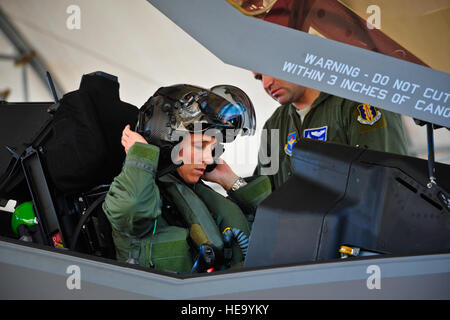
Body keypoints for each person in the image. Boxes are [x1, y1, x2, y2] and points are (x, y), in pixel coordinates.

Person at [102, 84, 271, 274]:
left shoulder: (196, 192)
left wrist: (231, 180)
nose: (209, 158)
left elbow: (273, 230)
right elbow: (133, 209)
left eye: (213, 149)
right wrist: (141, 156)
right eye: (200, 146)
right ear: (169, 142)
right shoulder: (132, 193)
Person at [253, 73, 409, 191]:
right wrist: (232, 181)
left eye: (271, 69)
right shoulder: (274, 124)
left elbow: (384, 185)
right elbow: (264, 194)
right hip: (296, 232)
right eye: (259, 77)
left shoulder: (359, 102)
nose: (267, 83)